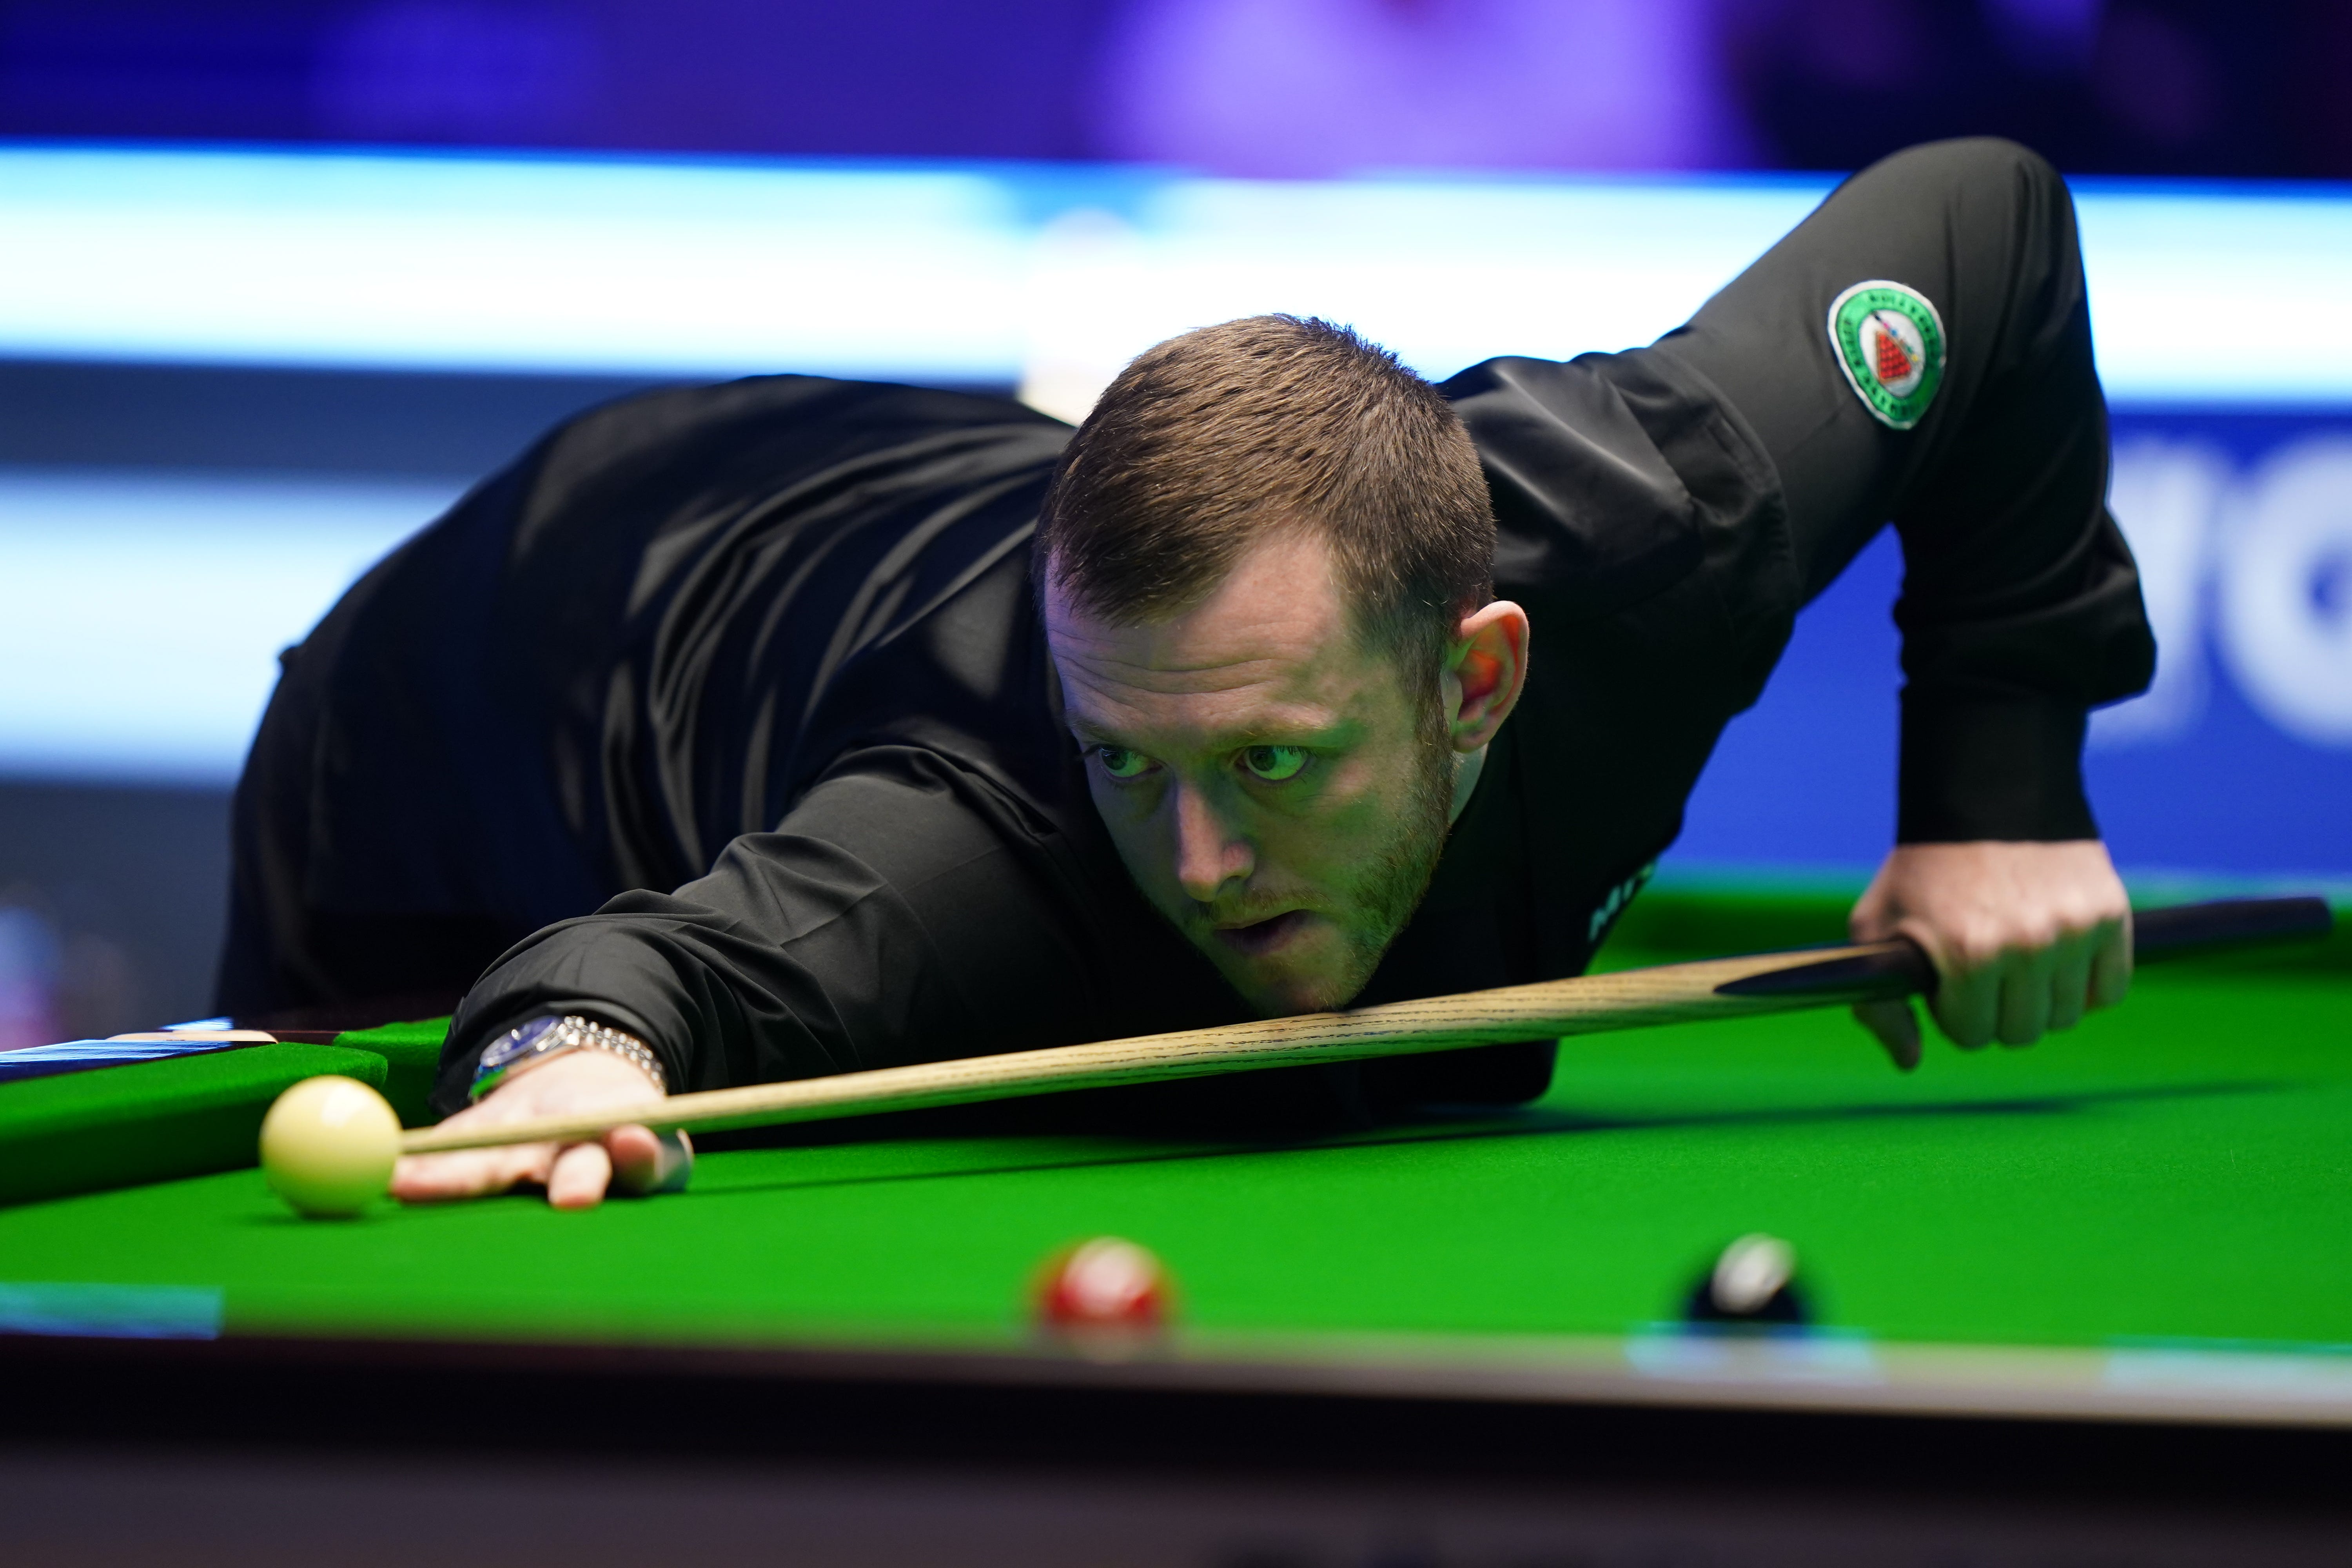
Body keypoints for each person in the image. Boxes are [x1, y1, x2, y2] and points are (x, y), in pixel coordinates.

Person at [218, 138, 2154, 1209]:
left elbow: (1984, 220)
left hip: (840, 490)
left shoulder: (1659, 526)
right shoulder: (967, 853)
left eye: (1281, 765)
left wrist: (2001, 795)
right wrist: (573, 1060)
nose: (1208, 857)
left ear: (1477, 680)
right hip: (463, 695)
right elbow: (634, 978)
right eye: (1135, 765)